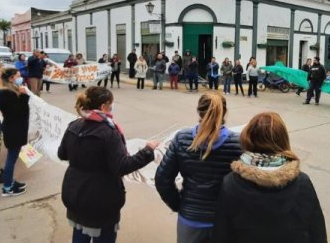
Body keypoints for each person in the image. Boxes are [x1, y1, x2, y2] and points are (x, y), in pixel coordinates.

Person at [58, 86, 159, 243]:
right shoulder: (108, 131)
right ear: (104, 106)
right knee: (104, 236)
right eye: (111, 103)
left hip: (75, 193)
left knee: (79, 233)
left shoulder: (74, 125)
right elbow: (122, 167)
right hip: (101, 198)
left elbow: (62, 153)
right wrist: (148, 150)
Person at [213, 112, 327, 243]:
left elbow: (221, 234)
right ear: (283, 140)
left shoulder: (230, 183)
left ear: (248, 138)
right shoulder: (303, 183)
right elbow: (317, 234)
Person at [155, 93, 242, 243]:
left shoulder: (182, 139)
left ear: (198, 111)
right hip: (224, 221)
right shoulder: (238, 143)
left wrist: (179, 204)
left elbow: (162, 179)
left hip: (190, 221)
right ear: (224, 112)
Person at [0, 68, 30, 197]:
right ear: (11, 78)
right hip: (13, 129)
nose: (20, 77)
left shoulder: (11, 90)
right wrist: (23, 96)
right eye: (18, 76)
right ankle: (7, 188)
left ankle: (10, 181)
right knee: (11, 159)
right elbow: (17, 111)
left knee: (13, 157)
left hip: (16, 127)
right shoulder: (6, 93)